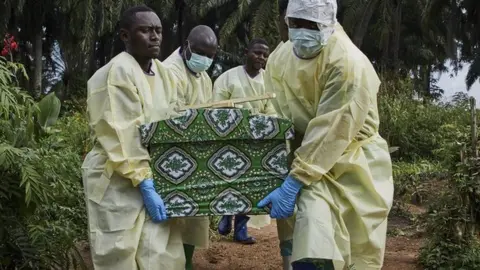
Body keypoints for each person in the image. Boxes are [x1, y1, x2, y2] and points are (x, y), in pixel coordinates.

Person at [259, 0, 394, 269]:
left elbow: (333, 129)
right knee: (306, 235)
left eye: (311, 25)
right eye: (295, 24)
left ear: (328, 23)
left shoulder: (347, 62)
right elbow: (279, 110)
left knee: (347, 242)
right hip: (305, 157)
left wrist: (293, 182)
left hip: (351, 160)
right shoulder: (280, 58)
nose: (301, 31)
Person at [82, 5, 188, 270]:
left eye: (158, 30)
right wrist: (144, 183)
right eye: (145, 30)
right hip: (117, 179)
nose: (155, 37)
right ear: (125, 36)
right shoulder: (115, 73)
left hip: (157, 173)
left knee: (161, 253)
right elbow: (122, 133)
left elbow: (175, 119)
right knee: (119, 252)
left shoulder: (165, 74)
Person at [163, 25, 218, 270]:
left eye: (210, 55)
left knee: (195, 215)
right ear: (187, 45)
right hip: (172, 155)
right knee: (175, 216)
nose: (204, 59)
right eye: (200, 52)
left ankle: (186, 262)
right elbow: (169, 116)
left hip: (197, 155)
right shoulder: (169, 72)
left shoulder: (204, 76)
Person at [213, 38, 274, 245]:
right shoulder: (227, 78)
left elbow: (272, 110)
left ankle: (241, 227)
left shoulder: (270, 81)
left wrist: (260, 125)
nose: (261, 57)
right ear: (246, 52)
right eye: (257, 52)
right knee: (228, 179)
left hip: (257, 142)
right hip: (230, 140)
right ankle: (225, 214)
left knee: (250, 185)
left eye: (265, 55)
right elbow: (216, 108)